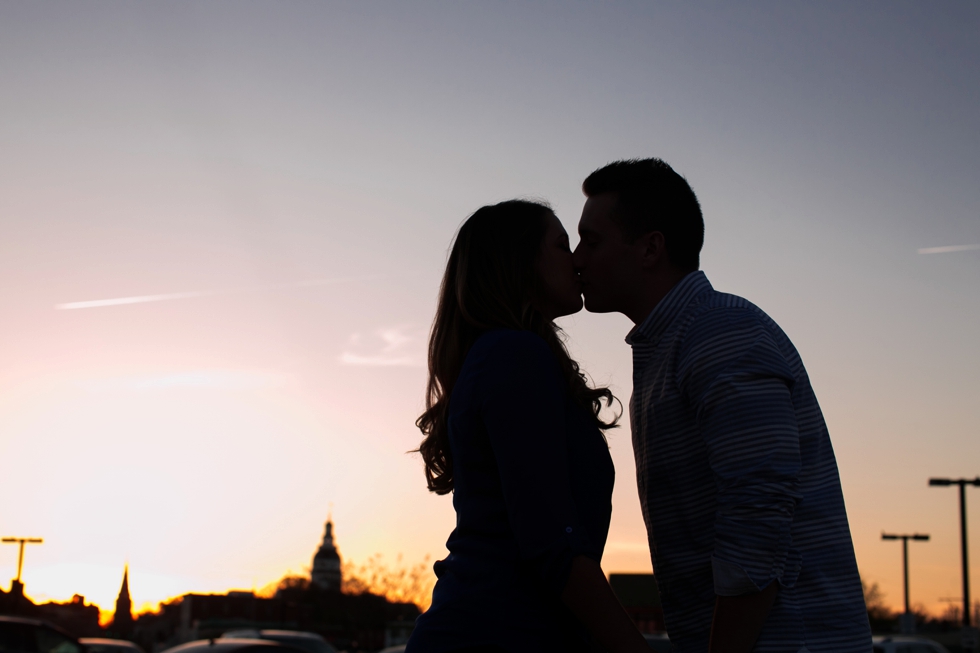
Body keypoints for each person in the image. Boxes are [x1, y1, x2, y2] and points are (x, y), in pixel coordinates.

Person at [572, 159, 873, 653]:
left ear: (650, 247)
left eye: (592, 240)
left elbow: (757, 515)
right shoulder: (674, 342)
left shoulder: (719, 332)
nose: (577, 258)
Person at [406, 200, 650, 653]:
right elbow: (552, 541)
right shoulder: (513, 355)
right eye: (562, 246)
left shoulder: (507, 356)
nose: (577, 259)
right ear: (519, 263)